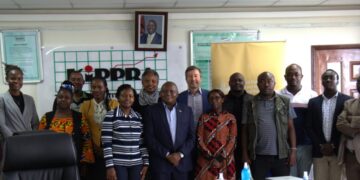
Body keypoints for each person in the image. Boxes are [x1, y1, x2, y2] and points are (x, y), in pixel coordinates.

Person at [242, 72, 297, 180]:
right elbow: (245, 130)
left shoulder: (284, 101)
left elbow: (291, 128)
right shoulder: (249, 103)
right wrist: (244, 154)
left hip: (281, 156)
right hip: (257, 156)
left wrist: (293, 152)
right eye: (262, 81)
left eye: (269, 81)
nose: (266, 84)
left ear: (274, 83)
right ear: (257, 84)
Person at [38, 80, 95, 177]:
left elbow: (87, 141)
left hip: (74, 163)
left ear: (71, 100)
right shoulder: (46, 117)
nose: (63, 99)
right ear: (56, 98)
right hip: (50, 164)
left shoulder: (79, 117)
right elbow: (39, 141)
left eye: (67, 97)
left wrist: (85, 164)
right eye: (60, 97)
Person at [306, 69, 351, 180]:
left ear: (337, 81)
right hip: (319, 151)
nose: (328, 80)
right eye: (325, 78)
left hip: (338, 151)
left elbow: (346, 127)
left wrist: (333, 145)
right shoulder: (313, 102)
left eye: (331, 77)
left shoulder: (347, 101)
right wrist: (321, 145)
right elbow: (309, 127)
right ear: (322, 82)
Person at [144, 81, 195, 180]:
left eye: (172, 91)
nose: (168, 93)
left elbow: (191, 137)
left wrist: (180, 154)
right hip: (161, 164)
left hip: (182, 163)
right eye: (165, 91)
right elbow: (150, 138)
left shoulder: (187, 110)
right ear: (160, 94)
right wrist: (167, 155)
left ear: (178, 94)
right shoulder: (151, 111)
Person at [102, 84, 149, 180]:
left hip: (137, 163)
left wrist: (146, 162)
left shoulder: (138, 117)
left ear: (134, 99)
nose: (127, 98)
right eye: (123, 96)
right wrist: (110, 167)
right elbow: (106, 143)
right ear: (118, 98)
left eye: (131, 96)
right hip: (118, 164)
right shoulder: (110, 116)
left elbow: (141, 142)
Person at [278, 64, 317, 177]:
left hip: (306, 145)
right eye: (290, 74)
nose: (293, 77)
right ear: (285, 77)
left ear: (302, 76)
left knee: (304, 177)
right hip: (284, 147)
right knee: (288, 177)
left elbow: (314, 122)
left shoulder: (311, 95)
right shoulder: (278, 95)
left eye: (296, 74)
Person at [80, 77, 118, 180]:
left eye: (100, 87)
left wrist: (106, 148)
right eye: (93, 87)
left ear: (105, 88)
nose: (96, 90)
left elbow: (118, 127)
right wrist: (94, 146)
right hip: (93, 150)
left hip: (111, 150)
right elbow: (83, 128)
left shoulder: (114, 104)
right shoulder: (85, 105)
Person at [195, 89, 237, 180]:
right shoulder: (204, 118)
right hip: (206, 160)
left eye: (217, 98)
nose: (214, 100)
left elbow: (232, 140)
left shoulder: (230, 118)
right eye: (211, 98)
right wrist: (210, 157)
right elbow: (199, 139)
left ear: (222, 99)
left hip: (225, 160)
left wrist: (220, 158)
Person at [222, 72, 253, 179]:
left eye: (240, 80)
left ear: (244, 83)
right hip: (226, 144)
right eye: (234, 80)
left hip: (248, 144)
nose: (237, 82)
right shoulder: (223, 100)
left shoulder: (252, 100)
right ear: (229, 83)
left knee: (246, 175)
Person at [0, 64, 39, 138]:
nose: (16, 81)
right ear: (6, 79)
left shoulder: (30, 100)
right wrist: (14, 138)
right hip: (11, 141)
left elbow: (36, 123)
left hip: (29, 141)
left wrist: (33, 136)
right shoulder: (2, 99)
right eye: (12, 78)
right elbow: (1, 125)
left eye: (19, 78)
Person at [336, 75, 360, 179]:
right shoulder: (349, 103)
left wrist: (351, 119)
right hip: (351, 156)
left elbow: (346, 123)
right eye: (358, 82)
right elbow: (340, 124)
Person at [177, 66, 211, 132]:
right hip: (187, 134)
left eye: (196, 76)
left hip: (206, 134)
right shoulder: (180, 97)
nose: (193, 79)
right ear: (186, 79)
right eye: (189, 76)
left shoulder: (209, 95)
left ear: (200, 78)